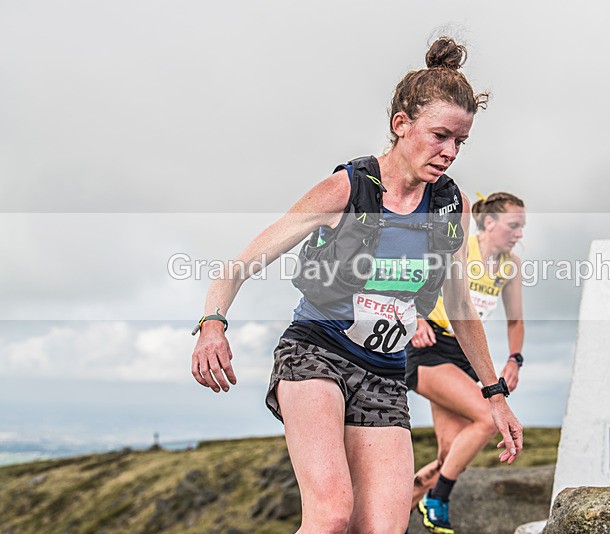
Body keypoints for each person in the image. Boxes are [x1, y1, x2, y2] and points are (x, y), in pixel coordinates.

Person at [190, 37, 523, 534]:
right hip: (317, 352)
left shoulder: (450, 208)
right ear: (401, 125)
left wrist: (494, 393)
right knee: (331, 515)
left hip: (386, 371)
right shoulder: (347, 188)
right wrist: (213, 324)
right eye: (440, 136)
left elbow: (459, 307)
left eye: (460, 141)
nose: (450, 152)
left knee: (383, 527)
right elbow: (239, 263)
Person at [407, 192, 526, 534]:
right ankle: (438, 499)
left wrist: (514, 359)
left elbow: (515, 320)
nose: (519, 234)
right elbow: (413, 278)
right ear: (489, 223)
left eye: (522, 227)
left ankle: (397, 509)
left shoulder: (510, 265)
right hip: (430, 348)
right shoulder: (461, 246)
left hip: (465, 356)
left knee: (449, 457)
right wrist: (417, 318)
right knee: (488, 419)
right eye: (514, 225)